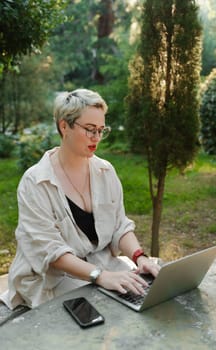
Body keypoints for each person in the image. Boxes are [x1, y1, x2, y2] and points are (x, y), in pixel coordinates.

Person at [0, 88, 160, 309]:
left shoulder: (106, 171)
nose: (97, 138)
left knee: (149, 293)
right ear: (64, 126)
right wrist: (100, 276)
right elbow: (51, 252)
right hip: (51, 279)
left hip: (98, 267)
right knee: (106, 310)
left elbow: (120, 227)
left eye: (101, 130)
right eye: (90, 129)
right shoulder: (35, 182)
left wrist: (140, 257)